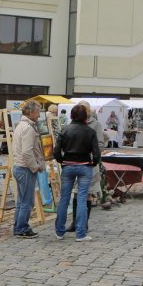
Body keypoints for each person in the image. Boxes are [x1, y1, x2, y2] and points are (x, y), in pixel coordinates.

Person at [54, 103, 101, 241]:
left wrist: (62, 160)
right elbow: (96, 152)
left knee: (64, 199)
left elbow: (56, 150)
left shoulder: (65, 130)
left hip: (68, 165)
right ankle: (80, 233)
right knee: (82, 199)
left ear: (72, 115)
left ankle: (59, 232)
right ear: (85, 116)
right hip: (85, 166)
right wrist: (94, 162)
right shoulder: (90, 131)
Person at [10, 100, 44, 238]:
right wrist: (35, 167)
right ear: (30, 112)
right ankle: (22, 228)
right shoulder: (28, 128)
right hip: (25, 168)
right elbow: (27, 152)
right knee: (27, 202)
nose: (39, 115)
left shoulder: (21, 125)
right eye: (37, 112)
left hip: (20, 167)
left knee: (21, 201)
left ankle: (18, 226)